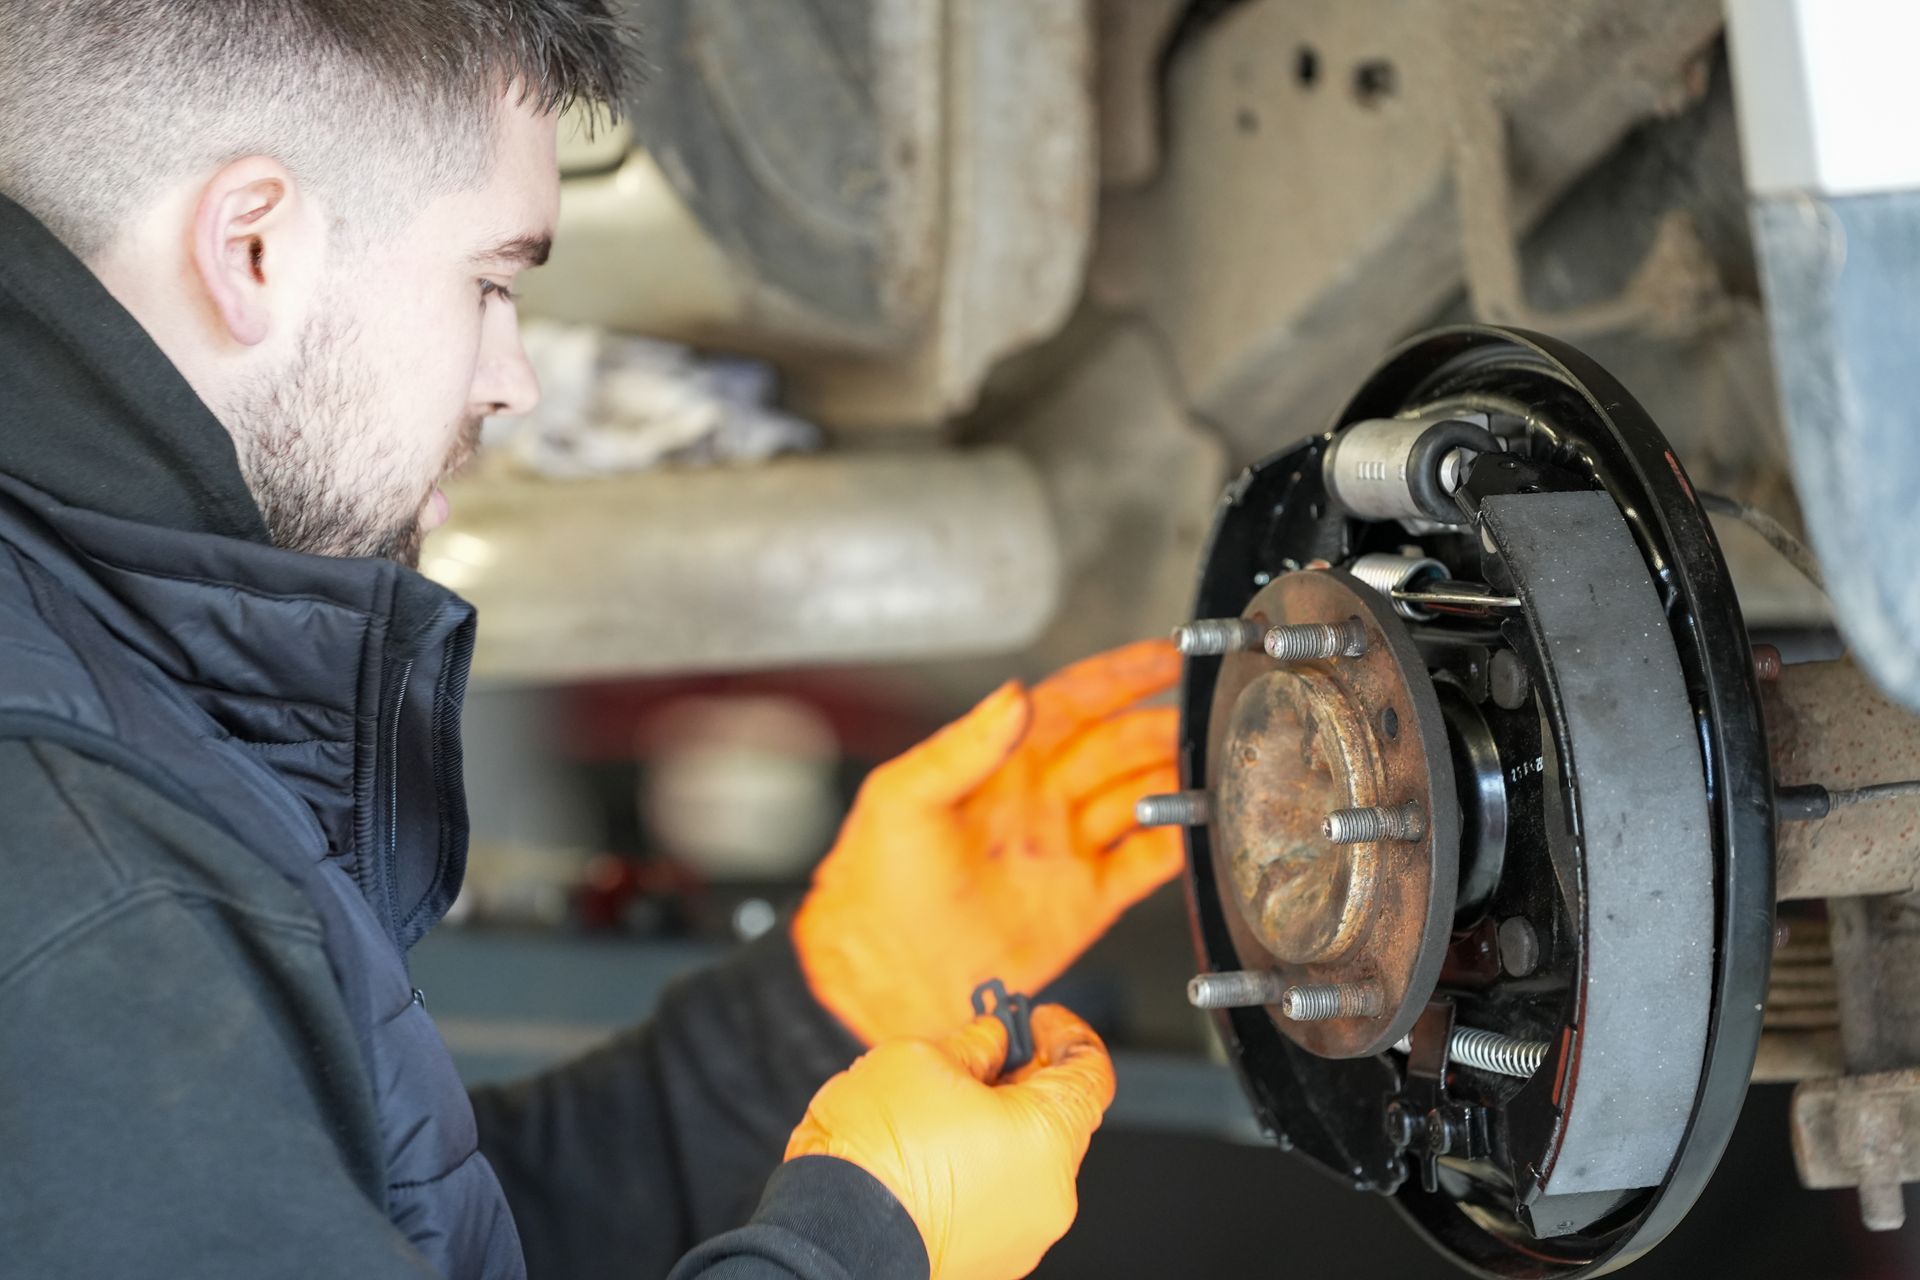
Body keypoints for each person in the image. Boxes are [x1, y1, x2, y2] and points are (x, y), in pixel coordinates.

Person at [0, 4, 1184, 1278]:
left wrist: (816, 1010)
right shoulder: (82, 879)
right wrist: (853, 1250)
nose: (515, 378)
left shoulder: (85, 721)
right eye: (491, 282)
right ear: (254, 248)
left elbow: (389, 1226)